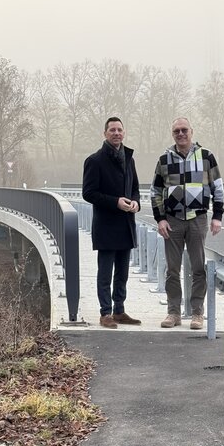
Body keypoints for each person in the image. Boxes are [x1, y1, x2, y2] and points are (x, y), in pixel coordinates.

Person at [150, 117, 224, 329]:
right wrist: (160, 218)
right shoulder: (164, 160)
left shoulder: (206, 156)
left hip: (197, 218)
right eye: (176, 131)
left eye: (184, 130)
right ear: (172, 134)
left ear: (191, 131)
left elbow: (218, 188)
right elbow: (155, 191)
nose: (180, 134)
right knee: (172, 269)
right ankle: (173, 313)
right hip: (172, 220)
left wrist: (217, 216)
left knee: (198, 267)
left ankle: (197, 313)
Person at [82, 116, 141, 328]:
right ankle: (105, 313)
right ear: (105, 134)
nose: (116, 133)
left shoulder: (129, 158)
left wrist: (135, 202)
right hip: (106, 225)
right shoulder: (94, 160)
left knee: (123, 273)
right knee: (105, 272)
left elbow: (134, 187)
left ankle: (119, 310)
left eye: (119, 130)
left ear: (124, 133)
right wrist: (115, 202)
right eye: (112, 130)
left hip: (126, 224)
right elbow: (88, 193)